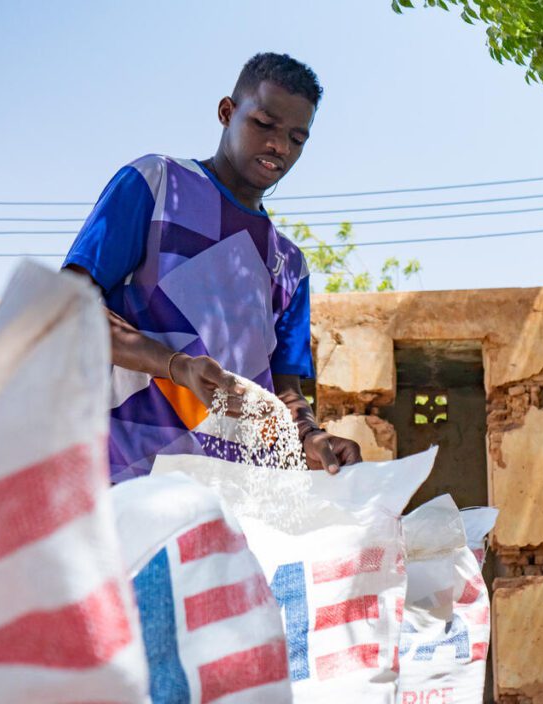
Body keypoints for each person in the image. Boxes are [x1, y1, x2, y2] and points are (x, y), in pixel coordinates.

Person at [63, 52, 362, 482]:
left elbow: (286, 392)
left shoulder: (290, 266)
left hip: (232, 501)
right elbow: (68, 307)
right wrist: (176, 366)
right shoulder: (158, 184)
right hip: (125, 479)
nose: (279, 146)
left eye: (297, 137)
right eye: (264, 124)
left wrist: (312, 436)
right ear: (227, 112)